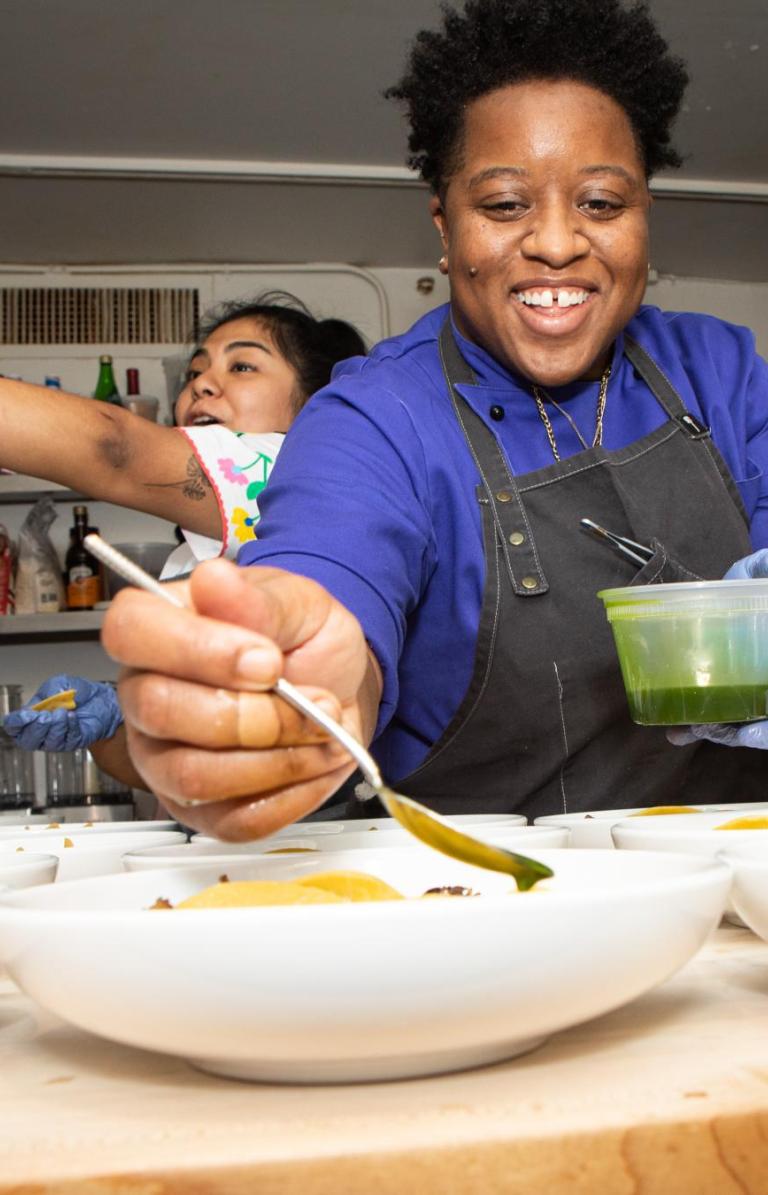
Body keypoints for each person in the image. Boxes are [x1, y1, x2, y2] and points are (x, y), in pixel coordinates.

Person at [100, 0, 768, 842]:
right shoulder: (374, 417)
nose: (558, 242)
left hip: (736, 892)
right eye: (503, 205)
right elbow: (322, 578)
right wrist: (297, 677)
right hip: (479, 913)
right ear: (445, 228)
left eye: (602, 203)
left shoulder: (722, 371)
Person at [1, 294, 365, 783]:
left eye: (242, 367)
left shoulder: (289, 465)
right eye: (194, 373)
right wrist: (112, 727)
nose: (202, 386)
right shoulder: (185, 560)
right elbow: (171, 770)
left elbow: (112, 447)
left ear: (312, 403)